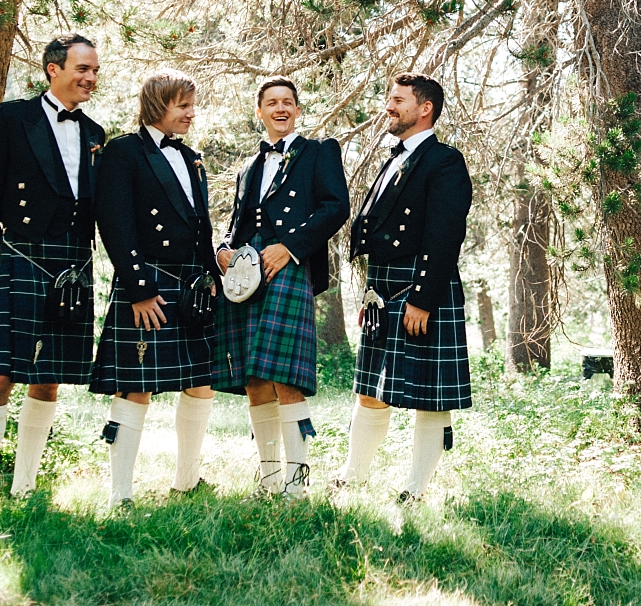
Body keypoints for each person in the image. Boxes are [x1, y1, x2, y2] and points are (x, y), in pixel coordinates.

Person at [0, 33, 105, 524]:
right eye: (81, 68)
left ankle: (24, 486)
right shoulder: (10, 118)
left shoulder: (96, 133)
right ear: (52, 68)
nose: (89, 78)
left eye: (94, 71)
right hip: (20, 258)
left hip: (72, 264)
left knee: (48, 380)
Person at [335, 74, 472, 502]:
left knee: (430, 397)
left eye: (398, 100)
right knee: (371, 389)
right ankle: (352, 477)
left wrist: (423, 299)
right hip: (385, 285)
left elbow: (445, 235)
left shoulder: (444, 160)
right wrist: (371, 289)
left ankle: (414, 489)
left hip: (419, 287)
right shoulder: (394, 156)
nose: (389, 106)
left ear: (424, 107)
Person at [89, 70, 222, 506]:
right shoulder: (124, 151)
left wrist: (211, 279)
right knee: (136, 384)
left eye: (191, 104)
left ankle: (187, 480)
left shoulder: (190, 158)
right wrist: (139, 289)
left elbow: (200, 226)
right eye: (182, 105)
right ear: (157, 105)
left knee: (200, 381)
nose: (190, 113)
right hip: (149, 282)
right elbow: (115, 223)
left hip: (191, 284)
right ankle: (120, 493)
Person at [212, 77, 350, 496]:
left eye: (288, 102)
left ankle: (297, 482)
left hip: (287, 267)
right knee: (255, 378)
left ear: (297, 110)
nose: (280, 108)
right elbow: (238, 224)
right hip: (246, 271)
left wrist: (290, 247)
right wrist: (223, 249)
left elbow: (335, 207)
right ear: (260, 112)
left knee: (285, 376)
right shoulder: (249, 167)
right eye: (271, 103)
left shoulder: (318, 152)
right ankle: (270, 479)